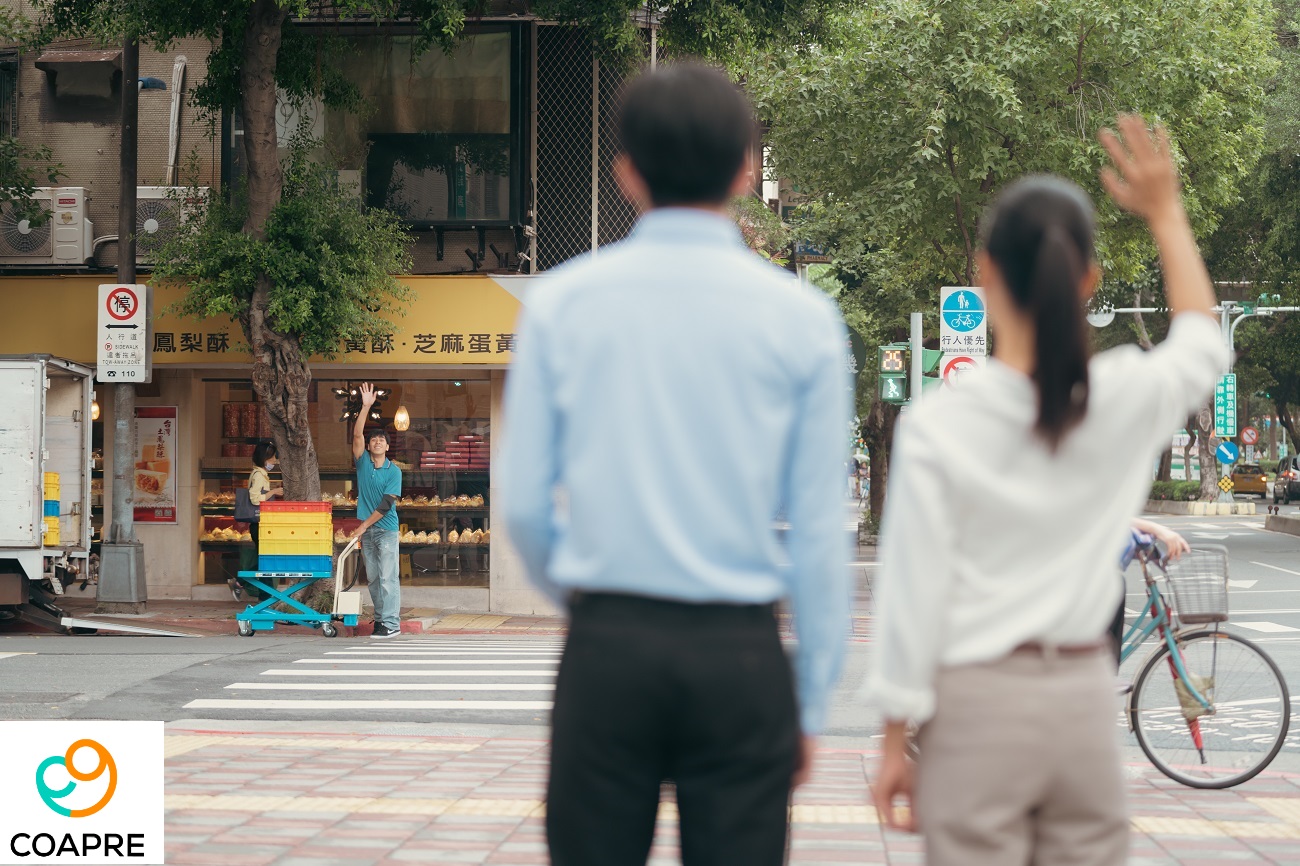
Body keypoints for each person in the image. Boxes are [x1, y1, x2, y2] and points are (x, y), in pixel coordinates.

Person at [500, 62, 851, 866]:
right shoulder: (803, 320)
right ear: (747, 168)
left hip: (609, 647)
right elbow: (821, 532)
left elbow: (521, 507)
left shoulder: (558, 304)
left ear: (624, 172)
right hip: (739, 654)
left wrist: (593, 597)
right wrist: (811, 696)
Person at [866, 115, 1229, 865]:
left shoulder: (941, 422)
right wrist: (1166, 213)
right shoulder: (1124, 396)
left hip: (974, 709)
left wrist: (896, 737)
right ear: (1088, 281)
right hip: (1081, 705)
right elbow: (1201, 341)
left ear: (984, 274)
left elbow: (912, 596)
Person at [349, 382, 403, 639]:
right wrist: (366, 406)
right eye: (374, 439)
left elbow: (385, 505)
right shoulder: (362, 464)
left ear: (388, 446)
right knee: (372, 579)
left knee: (387, 578)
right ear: (369, 446)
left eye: (382, 439)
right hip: (369, 532)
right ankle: (381, 620)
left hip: (386, 530)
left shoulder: (394, 471)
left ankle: (392, 623)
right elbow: (357, 435)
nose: (377, 441)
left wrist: (362, 525)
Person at [229, 441, 282, 600]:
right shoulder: (259, 475)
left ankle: (265, 596)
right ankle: (240, 581)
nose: (274, 461)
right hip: (259, 524)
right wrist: (273, 491)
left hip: (260, 524)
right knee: (266, 560)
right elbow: (254, 499)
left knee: (265, 560)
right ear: (264, 458)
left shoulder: (260, 473)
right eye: (272, 458)